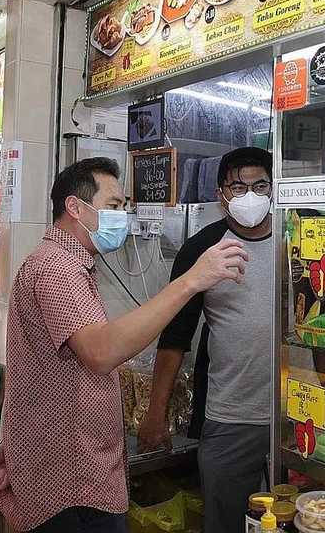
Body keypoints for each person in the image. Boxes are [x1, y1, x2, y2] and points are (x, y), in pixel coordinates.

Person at [0, 158, 248, 533]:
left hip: (66, 462)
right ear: (75, 207)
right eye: (113, 206)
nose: (122, 217)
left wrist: (15, 438)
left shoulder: (69, 263)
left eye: (124, 206)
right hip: (71, 480)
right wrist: (190, 281)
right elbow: (102, 352)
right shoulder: (57, 268)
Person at [136, 147, 274, 532]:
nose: (250, 196)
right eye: (238, 187)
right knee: (226, 521)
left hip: (296, 412)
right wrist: (156, 414)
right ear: (221, 195)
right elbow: (174, 337)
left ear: (273, 189)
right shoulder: (202, 249)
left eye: (260, 186)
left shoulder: (297, 239)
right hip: (230, 416)